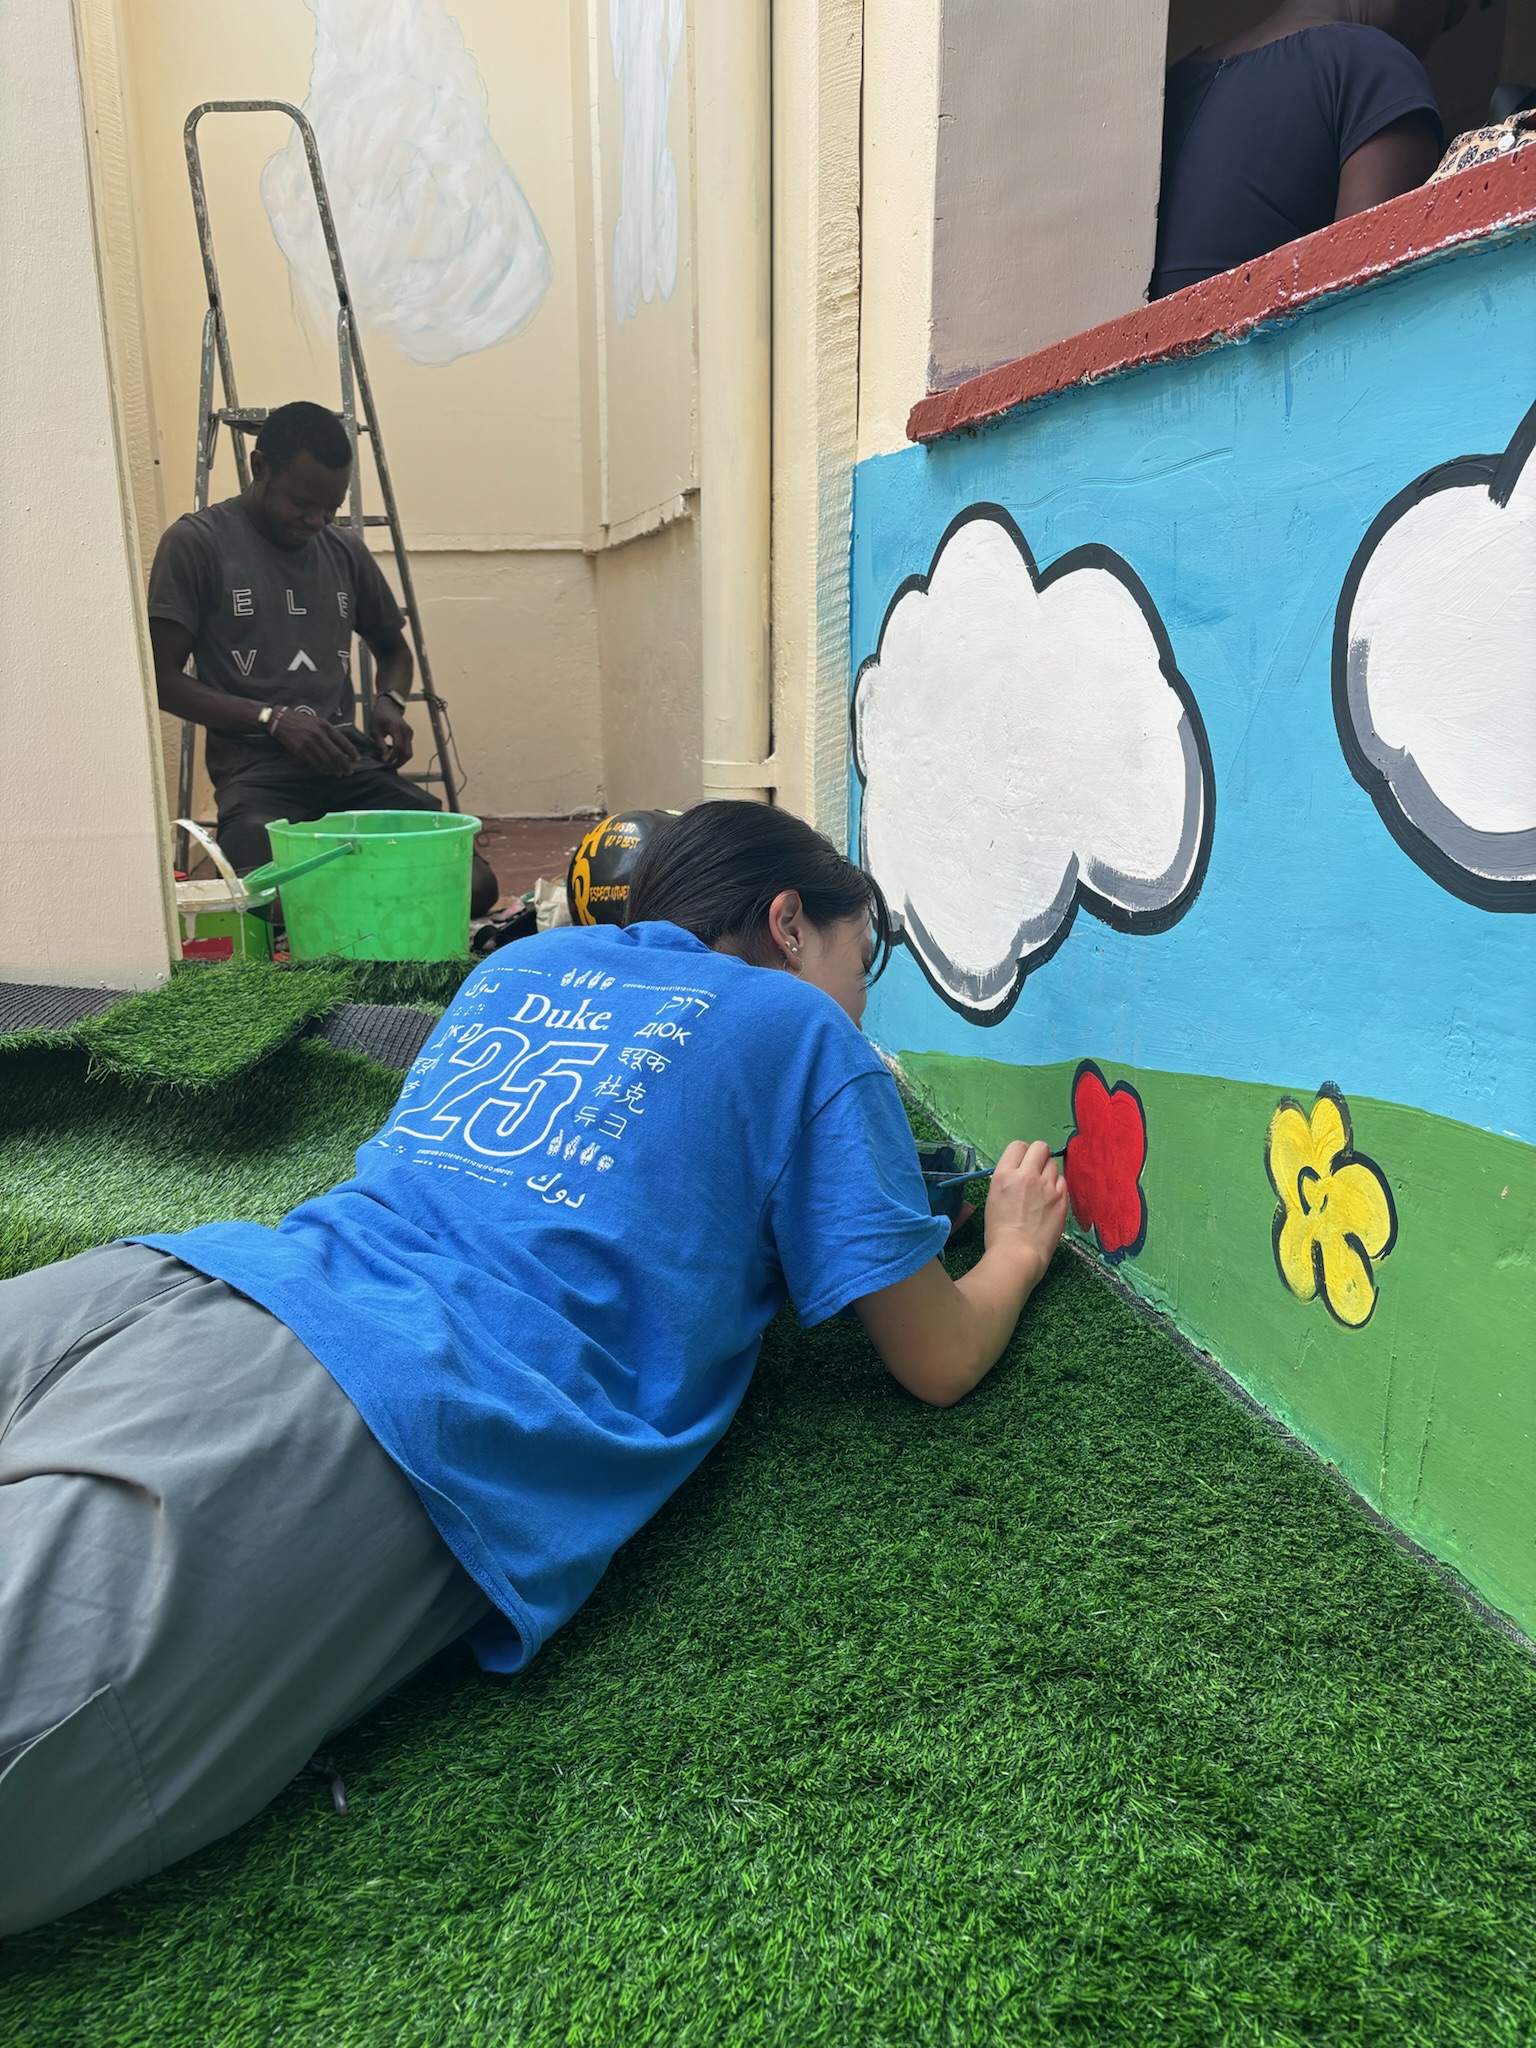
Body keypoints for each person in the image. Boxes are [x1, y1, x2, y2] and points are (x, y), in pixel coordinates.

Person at [0, 801, 1070, 1936]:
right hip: (378, 1402)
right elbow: (939, 1356)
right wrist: (1011, 1249)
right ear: (790, 920)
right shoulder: (808, 1035)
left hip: (175, 1281)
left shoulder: (525, 966)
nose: (862, 995)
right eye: (865, 957)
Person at [147, 399, 498, 917]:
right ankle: (367, 893)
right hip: (257, 777)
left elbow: (394, 648)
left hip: (347, 764)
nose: (318, 520)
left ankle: (343, 894)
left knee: (475, 886)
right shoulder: (195, 544)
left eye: (331, 507)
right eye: (303, 503)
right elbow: (161, 679)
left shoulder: (343, 549)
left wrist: (391, 701)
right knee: (265, 904)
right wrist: (272, 720)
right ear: (259, 468)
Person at [1151, 0, 1466, 301]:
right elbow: (1373, 305)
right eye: (1450, 11)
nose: (1448, 19)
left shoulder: (1171, 85)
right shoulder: (1377, 69)